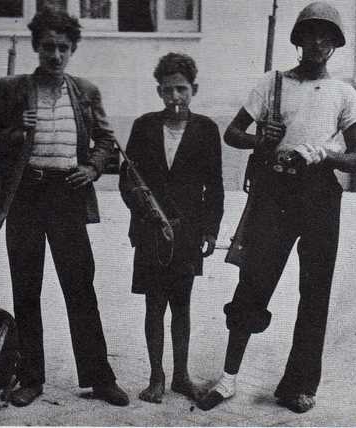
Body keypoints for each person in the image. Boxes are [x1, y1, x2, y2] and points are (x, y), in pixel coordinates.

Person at [198, 2, 356, 414]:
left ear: (335, 44)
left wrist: (324, 155)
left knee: (315, 290)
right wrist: (261, 139)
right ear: (298, 39)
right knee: (253, 282)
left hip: (320, 195)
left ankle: (299, 385)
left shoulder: (344, 93)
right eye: (310, 33)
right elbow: (232, 133)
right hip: (274, 192)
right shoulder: (272, 84)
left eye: (327, 35)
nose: (318, 42)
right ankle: (229, 378)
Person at [0, 6, 129, 407]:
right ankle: (30, 378)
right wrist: (16, 132)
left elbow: (106, 142)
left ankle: (99, 378)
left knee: (79, 287)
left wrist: (93, 168)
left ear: (73, 49)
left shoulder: (85, 91)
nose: (56, 56)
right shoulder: (12, 89)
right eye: (48, 47)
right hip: (25, 195)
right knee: (27, 288)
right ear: (35, 47)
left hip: (67, 197)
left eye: (63, 48)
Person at [119, 52, 224, 403]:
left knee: (182, 305)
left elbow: (216, 186)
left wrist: (210, 230)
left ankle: (181, 376)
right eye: (167, 90)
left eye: (181, 89)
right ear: (158, 91)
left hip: (188, 234)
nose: (174, 97)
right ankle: (156, 378)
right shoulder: (144, 126)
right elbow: (127, 180)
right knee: (153, 305)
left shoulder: (207, 129)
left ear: (193, 89)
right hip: (150, 233)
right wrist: (147, 214)